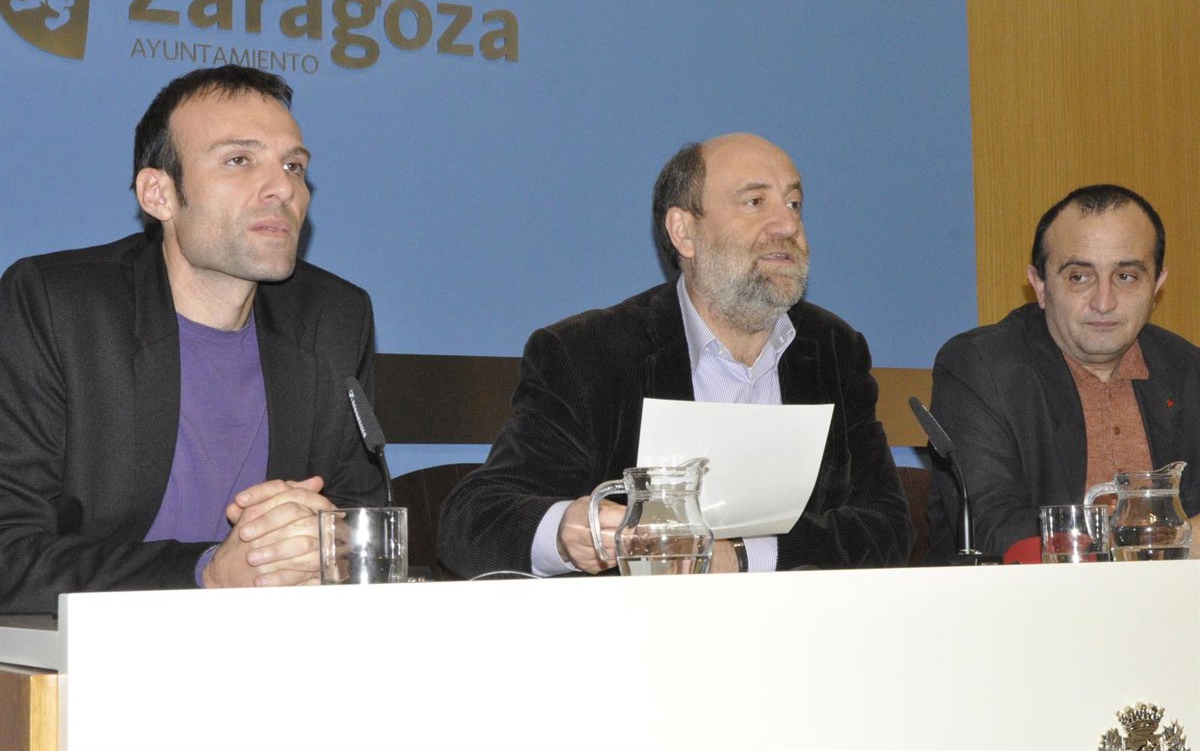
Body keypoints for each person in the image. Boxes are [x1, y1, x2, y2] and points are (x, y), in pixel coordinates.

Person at [437, 133, 912, 578]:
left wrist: (735, 557)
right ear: (684, 231)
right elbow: (475, 519)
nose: (788, 224)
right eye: (754, 202)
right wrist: (565, 531)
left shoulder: (832, 349)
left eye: (794, 204)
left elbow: (886, 528)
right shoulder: (591, 354)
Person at [0, 65, 384, 613]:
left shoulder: (334, 316)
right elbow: (10, 551)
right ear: (158, 194)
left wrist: (326, 548)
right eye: (239, 160)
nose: (283, 188)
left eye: (294, 166)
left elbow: (359, 524)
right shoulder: (56, 304)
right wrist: (207, 572)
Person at [927, 184, 1200, 561]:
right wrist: (1161, 541)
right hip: (1027, 596)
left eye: (1126, 276)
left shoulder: (1188, 370)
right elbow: (994, 530)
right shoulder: (982, 367)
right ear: (1039, 286)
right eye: (1079, 277)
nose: (1104, 302)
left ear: (1157, 286)